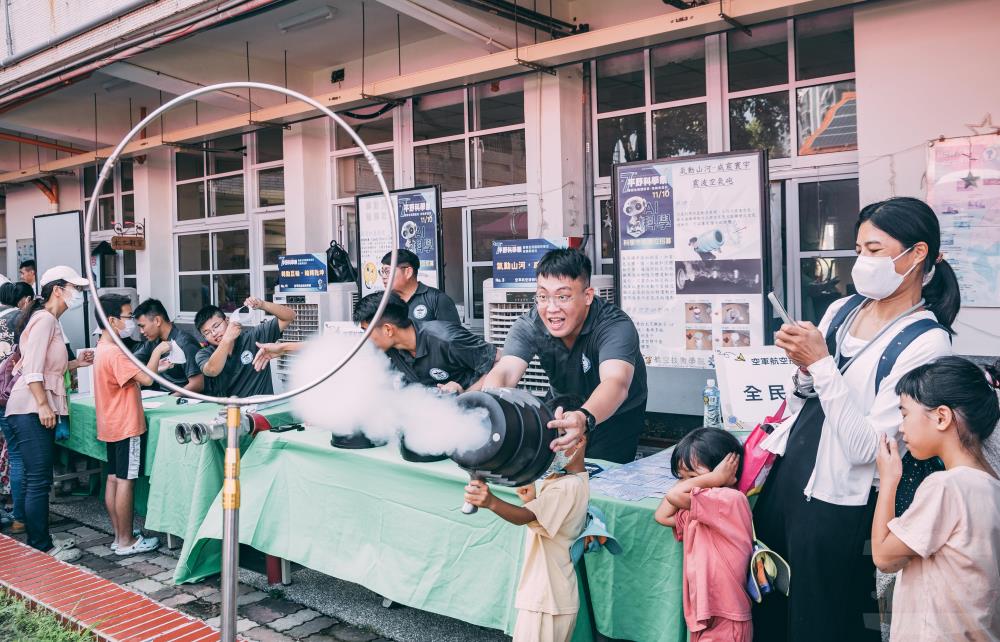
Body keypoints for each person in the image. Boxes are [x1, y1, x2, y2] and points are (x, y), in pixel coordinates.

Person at [753, 197, 960, 642]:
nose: (862, 261)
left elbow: (869, 449)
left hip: (840, 501)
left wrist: (822, 364)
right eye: (859, 250)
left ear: (916, 254)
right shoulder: (843, 311)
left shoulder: (927, 342)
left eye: (875, 250)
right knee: (771, 606)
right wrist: (805, 371)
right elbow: (806, 399)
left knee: (823, 620)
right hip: (791, 477)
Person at [872, 357, 1000, 641]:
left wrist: (889, 479)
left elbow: (884, 557)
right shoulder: (992, 487)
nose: (901, 428)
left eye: (905, 414)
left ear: (941, 417)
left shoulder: (945, 487)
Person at [481, 249, 647, 464]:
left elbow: (616, 382)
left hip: (616, 413)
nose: (551, 308)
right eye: (542, 296)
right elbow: (505, 371)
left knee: (602, 474)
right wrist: (491, 404)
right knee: (553, 472)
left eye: (563, 297)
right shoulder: (529, 325)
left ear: (587, 296)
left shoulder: (614, 325)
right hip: (564, 405)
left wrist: (583, 417)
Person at [5, 266, 93, 561]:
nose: (77, 295)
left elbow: (45, 367)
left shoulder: (47, 320)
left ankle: (40, 538)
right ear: (58, 289)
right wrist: (43, 405)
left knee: (37, 478)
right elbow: (31, 372)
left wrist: (76, 363)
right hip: (30, 408)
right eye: (75, 288)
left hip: (30, 407)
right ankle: (41, 545)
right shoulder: (44, 320)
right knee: (39, 479)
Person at [464, 437, 589, 642]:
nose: (551, 449)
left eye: (559, 442)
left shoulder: (565, 487)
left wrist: (491, 502)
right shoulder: (575, 480)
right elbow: (552, 524)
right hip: (553, 597)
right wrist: (532, 501)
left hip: (546, 600)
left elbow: (526, 517)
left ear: (579, 441)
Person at [654, 428, 753, 642]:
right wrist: (697, 478)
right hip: (704, 614)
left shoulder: (728, 499)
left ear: (725, 470)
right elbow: (662, 515)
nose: (686, 484)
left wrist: (716, 478)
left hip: (727, 615)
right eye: (682, 478)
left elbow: (674, 496)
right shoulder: (699, 507)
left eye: (694, 477)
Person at [93, 294, 160, 556]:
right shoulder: (115, 352)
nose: (132, 322)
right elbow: (146, 378)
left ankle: (119, 536)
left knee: (113, 479)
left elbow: (131, 379)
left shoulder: (102, 348)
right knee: (126, 481)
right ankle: (126, 540)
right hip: (126, 424)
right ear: (112, 320)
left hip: (111, 423)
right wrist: (157, 352)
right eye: (128, 317)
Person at [352, 292, 497, 393]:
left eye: (366, 331)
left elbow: (499, 363)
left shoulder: (446, 338)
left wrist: (466, 393)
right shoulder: (389, 351)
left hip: (473, 416)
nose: (364, 338)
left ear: (388, 330)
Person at [194, 297, 295, 397]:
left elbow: (290, 316)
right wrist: (227, 340)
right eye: (206, 333)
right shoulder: (203, 354)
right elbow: (212, 370)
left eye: (216, 326)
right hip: (229, 410)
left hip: (262, 408)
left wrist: (262, 305)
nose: (214, 333)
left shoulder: (254, 337)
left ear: (227, 320)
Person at [0, 281, 34, 532]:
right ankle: (22, 516)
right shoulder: (22, 320)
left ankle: (16, 514)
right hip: (19, 394)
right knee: (23, 457)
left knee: (14, 453)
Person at [131, 299, 204, 394]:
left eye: (142, 326)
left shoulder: (184, 343)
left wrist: (170, 399)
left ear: (157, 321)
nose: (141, 331)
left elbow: (197, 384)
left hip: (181, 401)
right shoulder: (153, 342)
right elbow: (130, 362)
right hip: (159, 397)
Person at [380, 249, 460, 324]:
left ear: (408, 272)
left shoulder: (437, 299)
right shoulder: (383, 301)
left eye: (387, 271)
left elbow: (454, 336)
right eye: (382, 272)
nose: (383, 276)